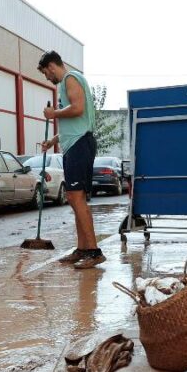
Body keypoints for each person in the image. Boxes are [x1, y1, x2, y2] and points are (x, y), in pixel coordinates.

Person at [37, 50, 104, 270]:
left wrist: (53, 113)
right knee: (75, 199)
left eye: (47, 73)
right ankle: (83, 249)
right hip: (74, 144)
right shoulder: (68, 82)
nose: (48, 78)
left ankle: (94, 251)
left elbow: (78, 109)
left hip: (79, 145)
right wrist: (53, 140)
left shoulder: (70, 79)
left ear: (51, 66)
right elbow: (73, 124)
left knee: (76, 198)